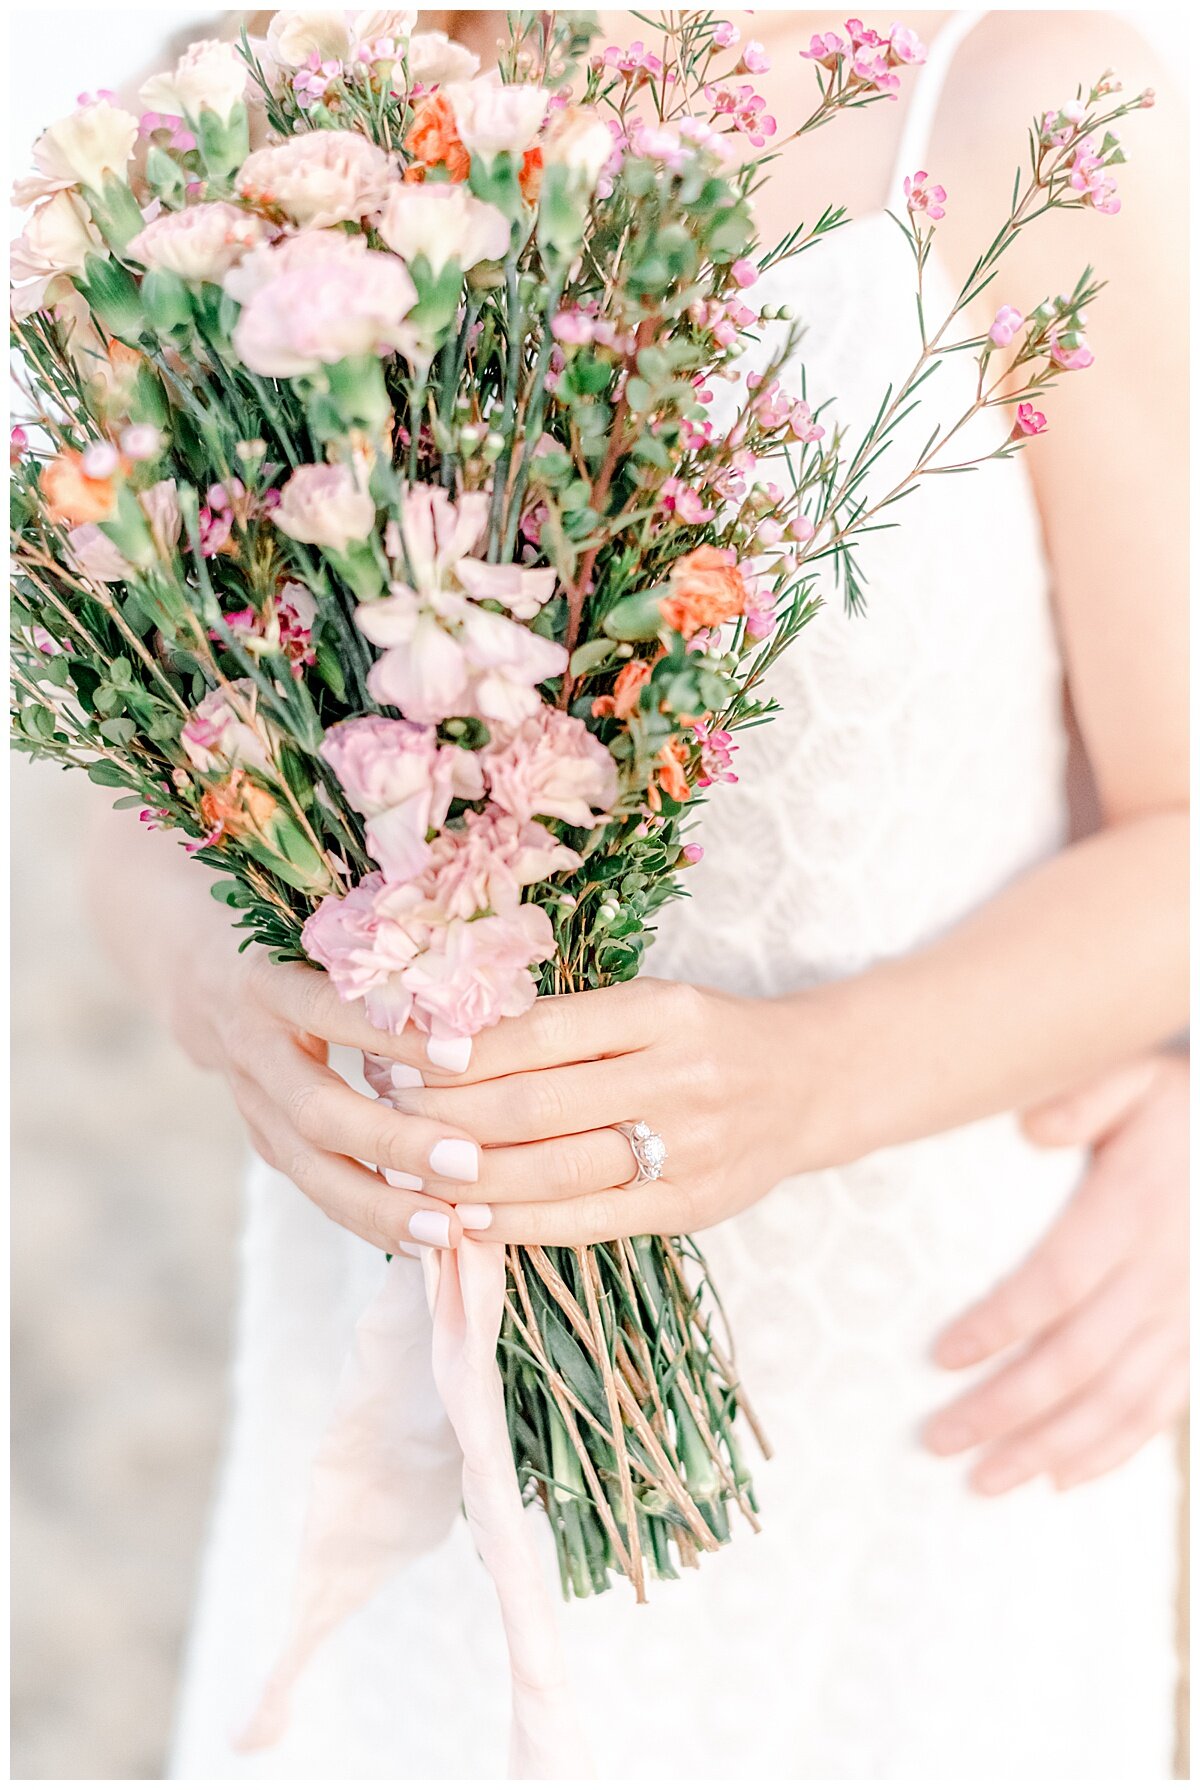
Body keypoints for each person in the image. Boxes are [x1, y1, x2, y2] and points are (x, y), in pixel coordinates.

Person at [88, 9, 1187, 1778]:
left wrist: (809, 1082)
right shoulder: (239, 118)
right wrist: (224, 1001)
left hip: (919, 1401)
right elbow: (143, 793)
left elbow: (1181, 833)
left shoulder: (1017, 103)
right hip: (400, 1376)